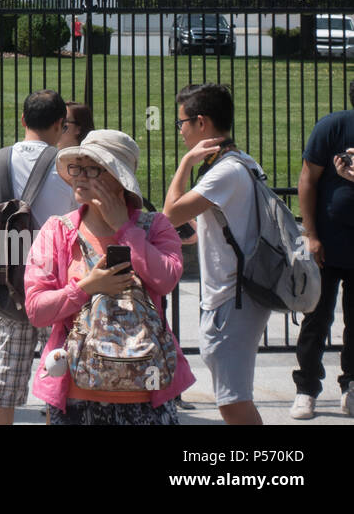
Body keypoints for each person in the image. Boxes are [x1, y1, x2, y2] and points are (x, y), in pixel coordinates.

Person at [24, 130, 194, 424]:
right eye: (76, 167)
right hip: (77, 395)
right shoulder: (58, 231)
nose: (79, 176)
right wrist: (87, 287)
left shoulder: (156, 228)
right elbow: (36, 310)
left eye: (92, 168)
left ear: (118, 178)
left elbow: (166, 280)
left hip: (148, 392)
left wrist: (126, 230)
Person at [162, 83, 269, 425]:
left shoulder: (224, 171)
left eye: (182, 122)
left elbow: (169, 215)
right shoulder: (243, 162)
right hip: (239, 293)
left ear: (201, 122)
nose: (180, 130)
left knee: (233, 402)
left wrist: (185, 165)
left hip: (231, 297)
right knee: (233, 398)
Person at [0, 89, 76, 424]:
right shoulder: (67, 167)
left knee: (3, 386)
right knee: (60, 385)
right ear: (61, 123)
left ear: (23, 120)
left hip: (8, 286)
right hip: (55, 288)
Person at [290, 80, 354, 419]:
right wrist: (310, 235)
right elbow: (307, 180)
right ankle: (306, 388)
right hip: (327, 245)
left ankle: (351, 385)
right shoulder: (333, 127)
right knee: (316, 319)